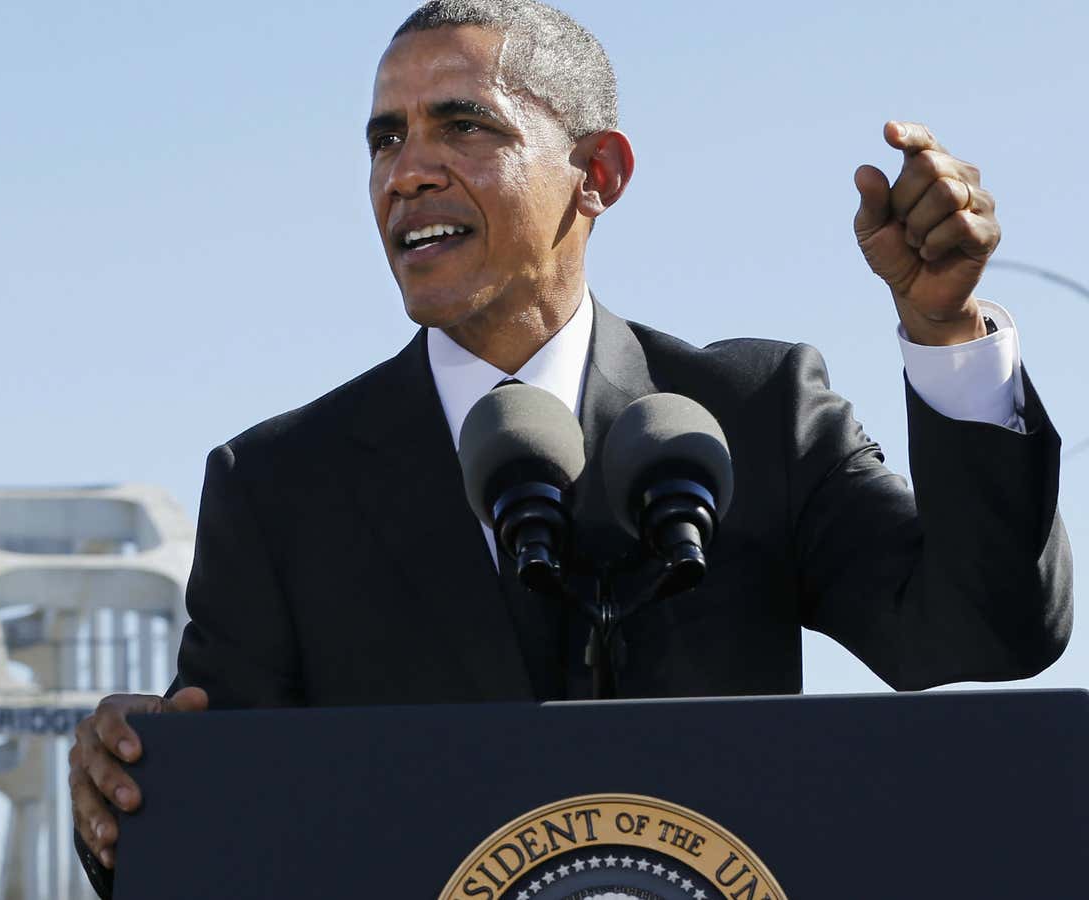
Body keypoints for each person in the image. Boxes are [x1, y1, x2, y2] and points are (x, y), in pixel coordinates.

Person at [67, 1, 1074, 893]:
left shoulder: (754, 414)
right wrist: (128, 791)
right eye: (384, 140)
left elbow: (982, 632)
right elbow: (226, 849)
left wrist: (944, 334)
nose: (406, 171)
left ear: (597, 174)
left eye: (462, 126)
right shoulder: (277, 487)